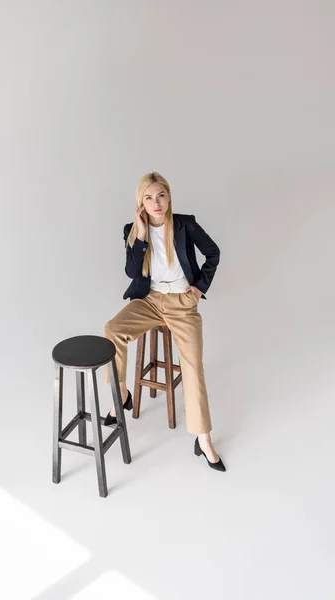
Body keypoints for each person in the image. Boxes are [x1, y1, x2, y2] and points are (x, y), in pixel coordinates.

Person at [103, 171, 225, 471]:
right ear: (140, 203)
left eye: (160, 196)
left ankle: (203, 438)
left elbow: (213, 253)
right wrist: (142, 237)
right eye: (148, 197)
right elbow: (133, 273)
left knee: (193, 366)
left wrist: (200, 287)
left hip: (182, 303)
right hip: (150, 300)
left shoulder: (186, 225)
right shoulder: (132, 230)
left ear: (169, 197)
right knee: (112, 330)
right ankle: (122, 394)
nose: (155, 203)